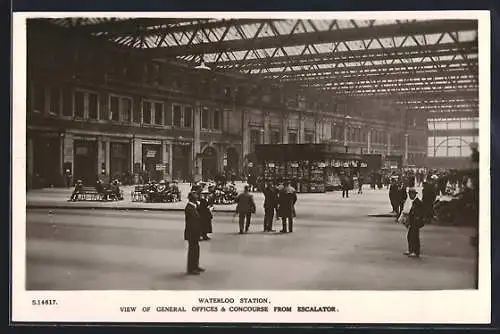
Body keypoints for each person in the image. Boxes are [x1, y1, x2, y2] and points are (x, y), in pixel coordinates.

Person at [184, 192, 204, 275]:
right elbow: (192, 222)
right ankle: (191, 269)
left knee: (196, 250)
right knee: (192, 251)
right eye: (196, 197)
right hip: (192, 233)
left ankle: (195, 266)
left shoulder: (193, 206)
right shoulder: (189, 208)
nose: (197, 197)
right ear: (192, 198)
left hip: (195, 232)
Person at [403, 188, 425, 258]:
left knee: (414, 237)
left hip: (415, 222)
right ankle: (411, 250)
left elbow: (418, 213)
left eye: (410, 194)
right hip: (412, 222)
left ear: (413, 194)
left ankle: (415, 251)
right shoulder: (413, 201)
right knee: (410, 236)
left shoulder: (417, 202)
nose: (409, 196)